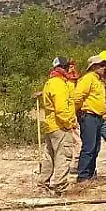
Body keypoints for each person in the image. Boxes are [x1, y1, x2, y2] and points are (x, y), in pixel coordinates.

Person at [73, 52, 106, 181]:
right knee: (89, 147)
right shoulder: (88, 78)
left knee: (95, 148)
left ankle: (90, 174)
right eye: (101, 65)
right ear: (93, 66)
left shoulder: (100, 80)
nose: (104, 68)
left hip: (99, 117)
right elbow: (78, 97)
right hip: (89, 116)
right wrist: (78, 112)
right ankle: (83, 176)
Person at [39, 57, 76, 193]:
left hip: (51, 125)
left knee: (49, 155)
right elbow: (61, 108)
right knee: (63, 155)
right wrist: (69, 123)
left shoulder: (50, 82)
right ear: (64, 68)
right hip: (60, 125)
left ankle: (44, 183)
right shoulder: (59, 84)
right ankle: (60, 186)